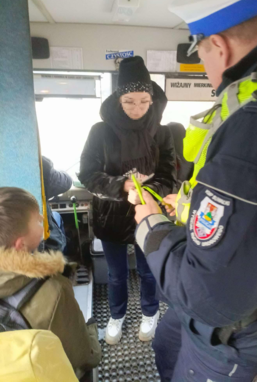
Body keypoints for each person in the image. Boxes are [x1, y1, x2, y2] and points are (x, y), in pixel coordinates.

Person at [134, 0, 257, 381]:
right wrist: (186, 208)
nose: (205, 68)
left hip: (243, 318)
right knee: (167, 341)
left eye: (199, 53)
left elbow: (207, 297)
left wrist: (151, 226)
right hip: (252, 277)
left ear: (218, 46)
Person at [79, 56, 176, 345]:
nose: (138, 108)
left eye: (145, 101)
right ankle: (116, 315)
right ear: (118, 99)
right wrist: (123, 188)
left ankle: (150, 312)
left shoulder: (162, 131)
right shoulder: (100, 131)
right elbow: (88, 173)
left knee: (149, 271)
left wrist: (147, 192)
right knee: (117, 274)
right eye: (130, 101)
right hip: (111, 215)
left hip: (149, 214)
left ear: (153, 99)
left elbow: (169, 173)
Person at [0, 187, 102, 379]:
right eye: (39, 220)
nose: (43, 217)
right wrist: (92, 334)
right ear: (21, 245)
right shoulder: (53, 290)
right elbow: (82, 355)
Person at [40, 156, 72, 252]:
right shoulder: (34, 158)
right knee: (57, 216)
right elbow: (66, 182)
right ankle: (64, 257)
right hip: (43, 248)